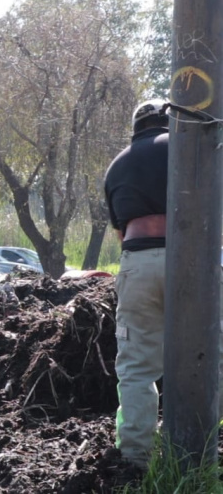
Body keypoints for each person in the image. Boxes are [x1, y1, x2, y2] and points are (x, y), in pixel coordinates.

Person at [104, 98, 223, 469]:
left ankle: (135, 459)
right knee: (205, 359)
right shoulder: (190, 148)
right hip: (194, 264)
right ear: (170, 121)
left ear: (135, 126)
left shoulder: (117, 165)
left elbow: (122, 232)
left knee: (137, 368)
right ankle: (200, 458)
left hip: (138, 263)